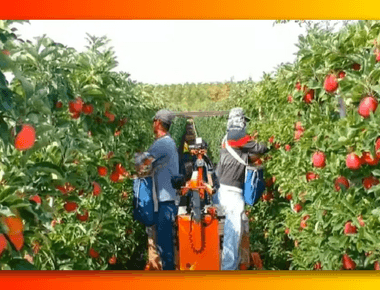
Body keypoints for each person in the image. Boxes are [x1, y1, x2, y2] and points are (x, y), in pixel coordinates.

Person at [215, 107, 268, 270]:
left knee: (239, 226)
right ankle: (228, 270)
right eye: (244, 120)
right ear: (239, 120)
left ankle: (234, 264)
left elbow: (245, 156)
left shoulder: (227, 137)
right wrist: (272, 142)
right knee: (233, 231)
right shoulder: (236, 135)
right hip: (232, 191)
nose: (245, 124)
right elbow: (259, 149)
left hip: (225, 188)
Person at [141, 109, 180, 270]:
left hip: (165, 202)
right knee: (164, 243)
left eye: (153, 121)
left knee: (164, 245)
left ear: (157, 122)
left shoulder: (163, 143)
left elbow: (141, 162)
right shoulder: (168, 142)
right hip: (167, 199)